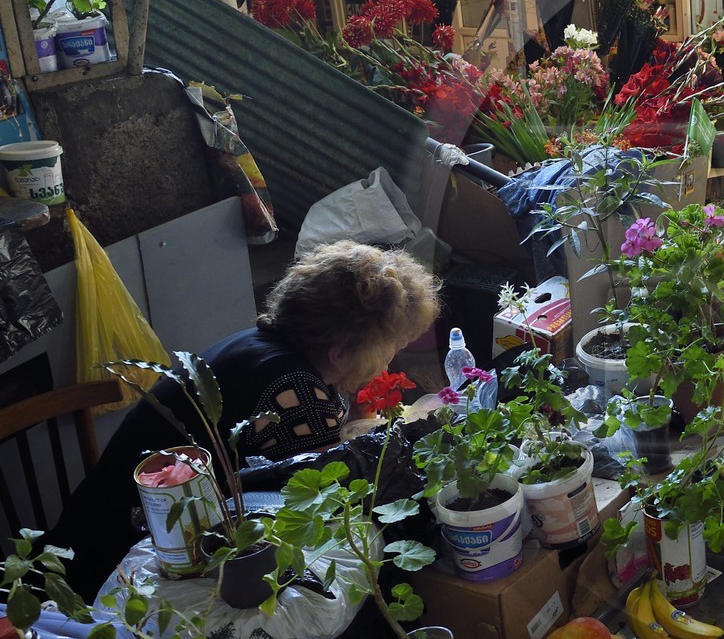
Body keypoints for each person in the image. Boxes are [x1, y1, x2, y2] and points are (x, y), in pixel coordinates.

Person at [48, 242, 442, 594]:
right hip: (121, 565)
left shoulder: (266, 344)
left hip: (93, 526)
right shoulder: (295, 390)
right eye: (390, 347)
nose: (390, 359)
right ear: (340, 352)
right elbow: (328, 491)